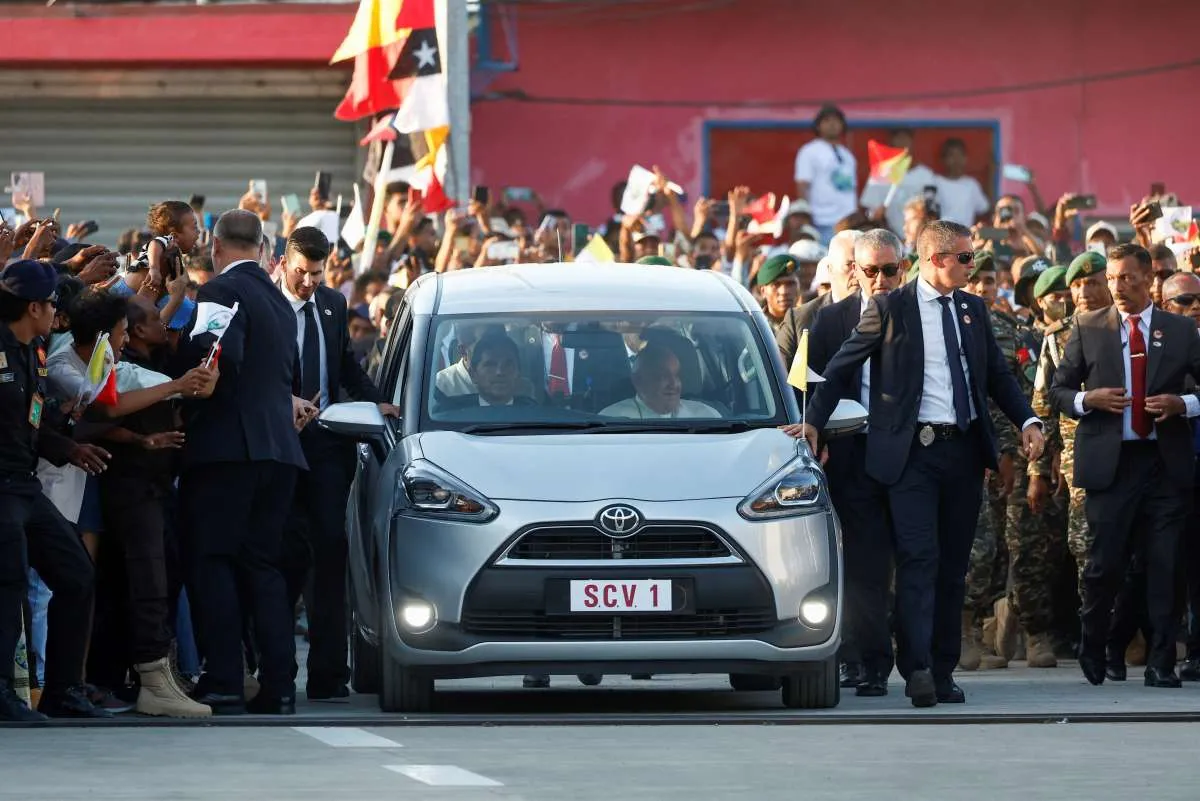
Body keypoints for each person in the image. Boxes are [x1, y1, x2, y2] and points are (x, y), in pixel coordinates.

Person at [786, 220, 1043, 708]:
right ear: (936, 259)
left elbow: (997, 377)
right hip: (911, 457)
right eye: (965, 258)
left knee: (952, 566)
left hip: (963, 453)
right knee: (918, 561)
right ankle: (918, 667)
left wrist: (1027, 419)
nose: (973, 266)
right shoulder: (889, 308)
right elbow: (841, 368)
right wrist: (813, 423)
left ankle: (944, 672)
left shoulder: (972, 309)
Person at [175, 209, 315, 715]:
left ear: (215, 248)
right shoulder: (281, 303)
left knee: (212, 561)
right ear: (261, 247)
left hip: (228, 451)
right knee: (262, 566)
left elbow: (213, 355)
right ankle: (278, 686)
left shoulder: (217, 292)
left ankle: (225, 682)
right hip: (280, 451)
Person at [1050, 243, 1200, 688]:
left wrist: (1184, 403)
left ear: (1149, 276)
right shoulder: (1088, 326)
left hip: (1163, 463)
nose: (1118, 287)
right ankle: (1094, 644)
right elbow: (1058, 390)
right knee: (1104, 565)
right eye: (1113, 278)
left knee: (1163, 564)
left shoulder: (1180, 330)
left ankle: (1160, 662)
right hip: (1111, 466)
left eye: (1128, 278)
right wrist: (1086, 399)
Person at [275, 226, 393, 700]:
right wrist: (286, 401)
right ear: (284, 262)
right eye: (301, 272)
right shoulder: (267, 306)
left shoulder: (332, 305)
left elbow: (345, 367)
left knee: (330, 554)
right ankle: (276, 671)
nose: (308, 283)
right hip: (280, 445)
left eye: (317, 274)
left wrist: (378, 402)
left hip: (326, 446)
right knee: (282, 558)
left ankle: (328, 674)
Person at [0, 260, 113, 720]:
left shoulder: (35, 352)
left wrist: (68, 446)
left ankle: (65, 689)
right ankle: (4, 693)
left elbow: (31, 423)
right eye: (50, 304)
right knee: (7, 587)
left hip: (23, 487)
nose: (56, 312)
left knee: (77, 575)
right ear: (32, 307)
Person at [808, 228, 903, 697]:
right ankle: (866, 660)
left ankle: (918, 657)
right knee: (862, 566)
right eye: (872, 270)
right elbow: (816, 389)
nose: (881, 279)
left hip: (907, 456)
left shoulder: (917, 317)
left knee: (911, 562)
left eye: (890, 270)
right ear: (854, 272)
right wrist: (814, 429)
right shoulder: (828, 322)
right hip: (850, 455)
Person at [1160, 271, 1200, 682]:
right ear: (1167, 305)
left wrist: (1186, 403)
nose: (1195, 308)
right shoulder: (1161, 347)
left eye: (1199, 300)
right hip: (1171, 470)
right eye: (1185, 301)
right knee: (1173, 564)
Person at [782, 231, 860, 366]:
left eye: (864, 266)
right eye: (850, 265)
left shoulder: (887, 314)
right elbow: (779, 376)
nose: (858, 273)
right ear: (830, 269)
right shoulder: (801, 320)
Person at [600, 344, 720, 419]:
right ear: (638, 381)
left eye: (676, 375)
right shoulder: (610, 418)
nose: (673, 384)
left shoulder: (707, 416)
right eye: (663, 376)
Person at [793, 104, 857, 244]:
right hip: (821, 222)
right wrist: (806, 219)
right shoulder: (809, 151)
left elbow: (851, 189)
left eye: (836, 120)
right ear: (818, 125)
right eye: (827, 120)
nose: (832, 124)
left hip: (849, 223)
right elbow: (802, 185)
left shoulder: (847, 155)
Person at [933, 138, 991, 227]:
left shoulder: (971, 184)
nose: (956, 160)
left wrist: (991, 174)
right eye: (951, 155)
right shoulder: (936, 182)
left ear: (965, 158)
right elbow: (929, 214)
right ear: (944, 159)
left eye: (960, 155)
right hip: (943, 236)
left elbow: (984, 208)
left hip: (966, 236)